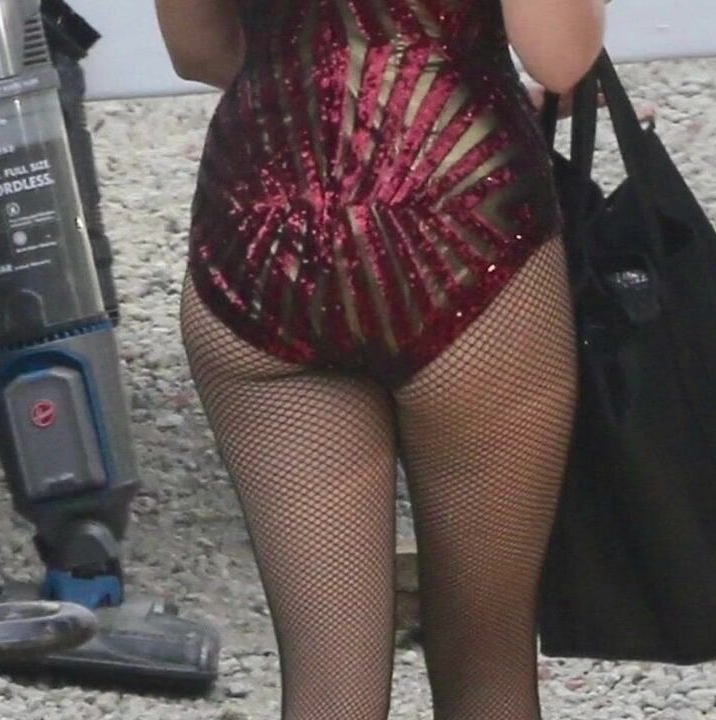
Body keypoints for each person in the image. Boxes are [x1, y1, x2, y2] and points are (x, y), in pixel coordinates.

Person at [156, 2, 605, 718]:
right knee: (486, 659)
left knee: (329, 685)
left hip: (261, 229)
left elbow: (198, 50)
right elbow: (560, 59)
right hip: (461, 217)